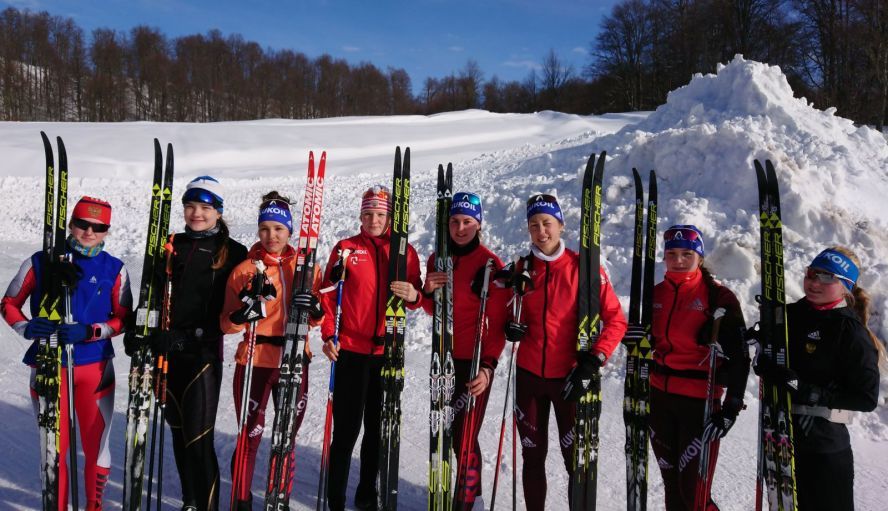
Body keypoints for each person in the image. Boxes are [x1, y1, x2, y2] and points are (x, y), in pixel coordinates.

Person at [2, 196, 132, 511]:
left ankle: (93, 507)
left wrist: (91, 331)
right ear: (71, 225)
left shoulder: (114, 268)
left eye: (98, 227)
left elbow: (124, 319)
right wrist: (27, 327)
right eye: (82, 224)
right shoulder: (40, 261)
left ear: (107, 231)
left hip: (95, 369)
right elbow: (8, 304)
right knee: (54, 450)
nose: (89, 232)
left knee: (96, 446)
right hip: (48, 365)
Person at [127, 176, 247, 511]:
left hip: (201, 357)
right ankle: (190, 503)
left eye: (205, 208)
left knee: (198, 441)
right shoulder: (170, 244)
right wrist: (137, 330)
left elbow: (231, 313)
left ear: (218, 212)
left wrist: (186, 336)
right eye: (190, 206)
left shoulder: (234, 252)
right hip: (166, 355)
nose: (197, 213)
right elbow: (151, 294)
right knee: (179, 435)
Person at [505, 193, 627, 511]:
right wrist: (510, 325)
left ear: (561, 225)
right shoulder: (522, 268)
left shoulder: (583, 269)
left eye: (547, 223)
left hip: (570, 380)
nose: (541, 231)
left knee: (576, 460)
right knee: (532, 457)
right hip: (529, 378)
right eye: (534, 225)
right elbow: (505, 309)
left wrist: (594, 359)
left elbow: (616, 320)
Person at [319, 185, 424, 511]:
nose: (373, 220)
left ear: (389, 216)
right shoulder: (346, 249)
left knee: (377, 431)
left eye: (379, 214)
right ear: (360, 216)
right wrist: (328, 335)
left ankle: (367, 494)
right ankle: (335, 499)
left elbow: (417, 295)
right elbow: (327, 296)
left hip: (386, 353)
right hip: (350, 351)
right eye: (367, 214)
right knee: (346, 431)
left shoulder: (405, 252)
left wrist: (414, 295)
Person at [753, 246, 882, 511]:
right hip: (780, 440)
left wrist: (805, 390)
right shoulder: (787, 315)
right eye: (811, 274)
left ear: (846, 286)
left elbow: (866, 398)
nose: (814, 282)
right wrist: (760, 352)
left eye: (826, 277)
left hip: (824, 449)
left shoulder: (851, 332)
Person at [220, 191, 323, 510]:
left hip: (294, 359)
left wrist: (316, 308)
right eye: (265, 228)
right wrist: (241, 315)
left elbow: (317, 319)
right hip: (254, 361)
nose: (271, 236)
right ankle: (241, 500)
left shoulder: (307, 269)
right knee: (250, 435)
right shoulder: (244, 270)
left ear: (289, 231)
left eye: (278, 229)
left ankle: (279, 499)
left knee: (285, 437)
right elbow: (226, 324)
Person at [643, 224, 749, 511]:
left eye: (687, 254)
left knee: (694, 493)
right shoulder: (655, 295)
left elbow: (740, 357)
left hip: (699, 404)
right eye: (672, 253)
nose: (678, 260)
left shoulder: (719, 298)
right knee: (672, 487)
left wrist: (731, 407)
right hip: (660, 399)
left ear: (700, 257)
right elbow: (646, 345)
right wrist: (637, 339)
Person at [420, 192, 507, 508]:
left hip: (474, 363)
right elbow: (433, 310)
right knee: (445, 432)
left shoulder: (490, 264)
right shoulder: (437, 259)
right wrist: (428, 290)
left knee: (464, 436)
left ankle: (471, 501)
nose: (460, 228)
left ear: (478, 224)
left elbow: (499, 324)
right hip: (443, 359)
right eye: (455, 221)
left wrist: (488, 367)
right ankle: (457, 495)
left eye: (467, 221)